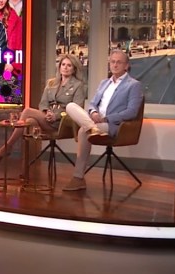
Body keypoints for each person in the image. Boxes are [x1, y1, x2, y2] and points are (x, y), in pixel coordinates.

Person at [61, 49, 144, 192]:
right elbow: (92, 104)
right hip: (96, 122)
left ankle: (78, 178)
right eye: (112, 62)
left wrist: (106, 118)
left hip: (112, 125)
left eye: (119, 62)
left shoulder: (133, 85)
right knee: (70, 106)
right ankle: (92, 128)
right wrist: (93, 112)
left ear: (126, 66)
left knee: (83, 131)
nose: (115, 65)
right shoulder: (104, 83)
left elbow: (132, 112)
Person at [0, 54, 86, 160]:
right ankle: (26, 165)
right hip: (46, 118)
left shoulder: (78, 85)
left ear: (74, 69)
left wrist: (56, 116)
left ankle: (7, 147)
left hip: (62, 123)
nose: (65, 67)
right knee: (29, 121)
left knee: (27, 111)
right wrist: (46, 113)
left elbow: (77, 109)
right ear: (59, 67)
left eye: (69, 65)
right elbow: (43, 103)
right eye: (63, 64)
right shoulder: (51, 83)